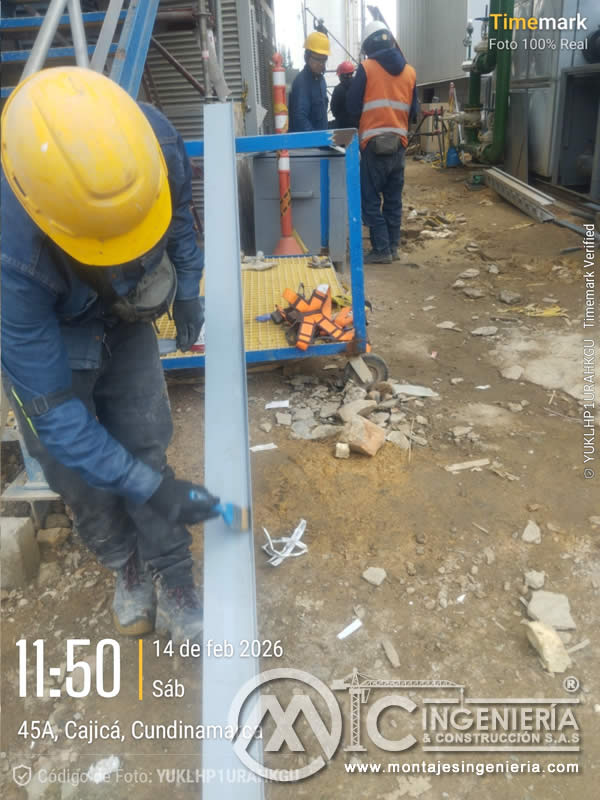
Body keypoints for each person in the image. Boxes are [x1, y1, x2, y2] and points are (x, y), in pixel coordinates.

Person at [1, 67, 220, 644]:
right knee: (73, 468)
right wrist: (144, 487)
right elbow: (55, 414)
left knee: (145, 439)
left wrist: (190, 286)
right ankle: (125, 560)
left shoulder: (147, 141)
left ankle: (173, 576)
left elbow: (177, 220)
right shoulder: (11, 259)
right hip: (55, 322)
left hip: (122, 315)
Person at [347, 21, 418, 263]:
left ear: (368, 45)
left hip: (373, 144)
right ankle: (393, 247)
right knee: (393, 199)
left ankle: (381, 249)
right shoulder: (410, 72)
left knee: (368, 199)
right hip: (398, 144)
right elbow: (414, 112)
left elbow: (353, 107)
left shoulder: (366, 68)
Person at [288, 30, 330, 132]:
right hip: (308, 145)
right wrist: (317, 141)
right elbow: (300, 119)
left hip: (319, 141)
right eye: (317, 59)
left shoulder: (321, 80)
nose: (321, 64)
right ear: (306, 57)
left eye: (323, 60)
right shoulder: (302, 83)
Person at [330, 61, 358, 129]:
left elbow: (334, 110)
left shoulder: (338, 89)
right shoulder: (359, 85)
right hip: (358, 124)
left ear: (342, 75)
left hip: (342, 126)